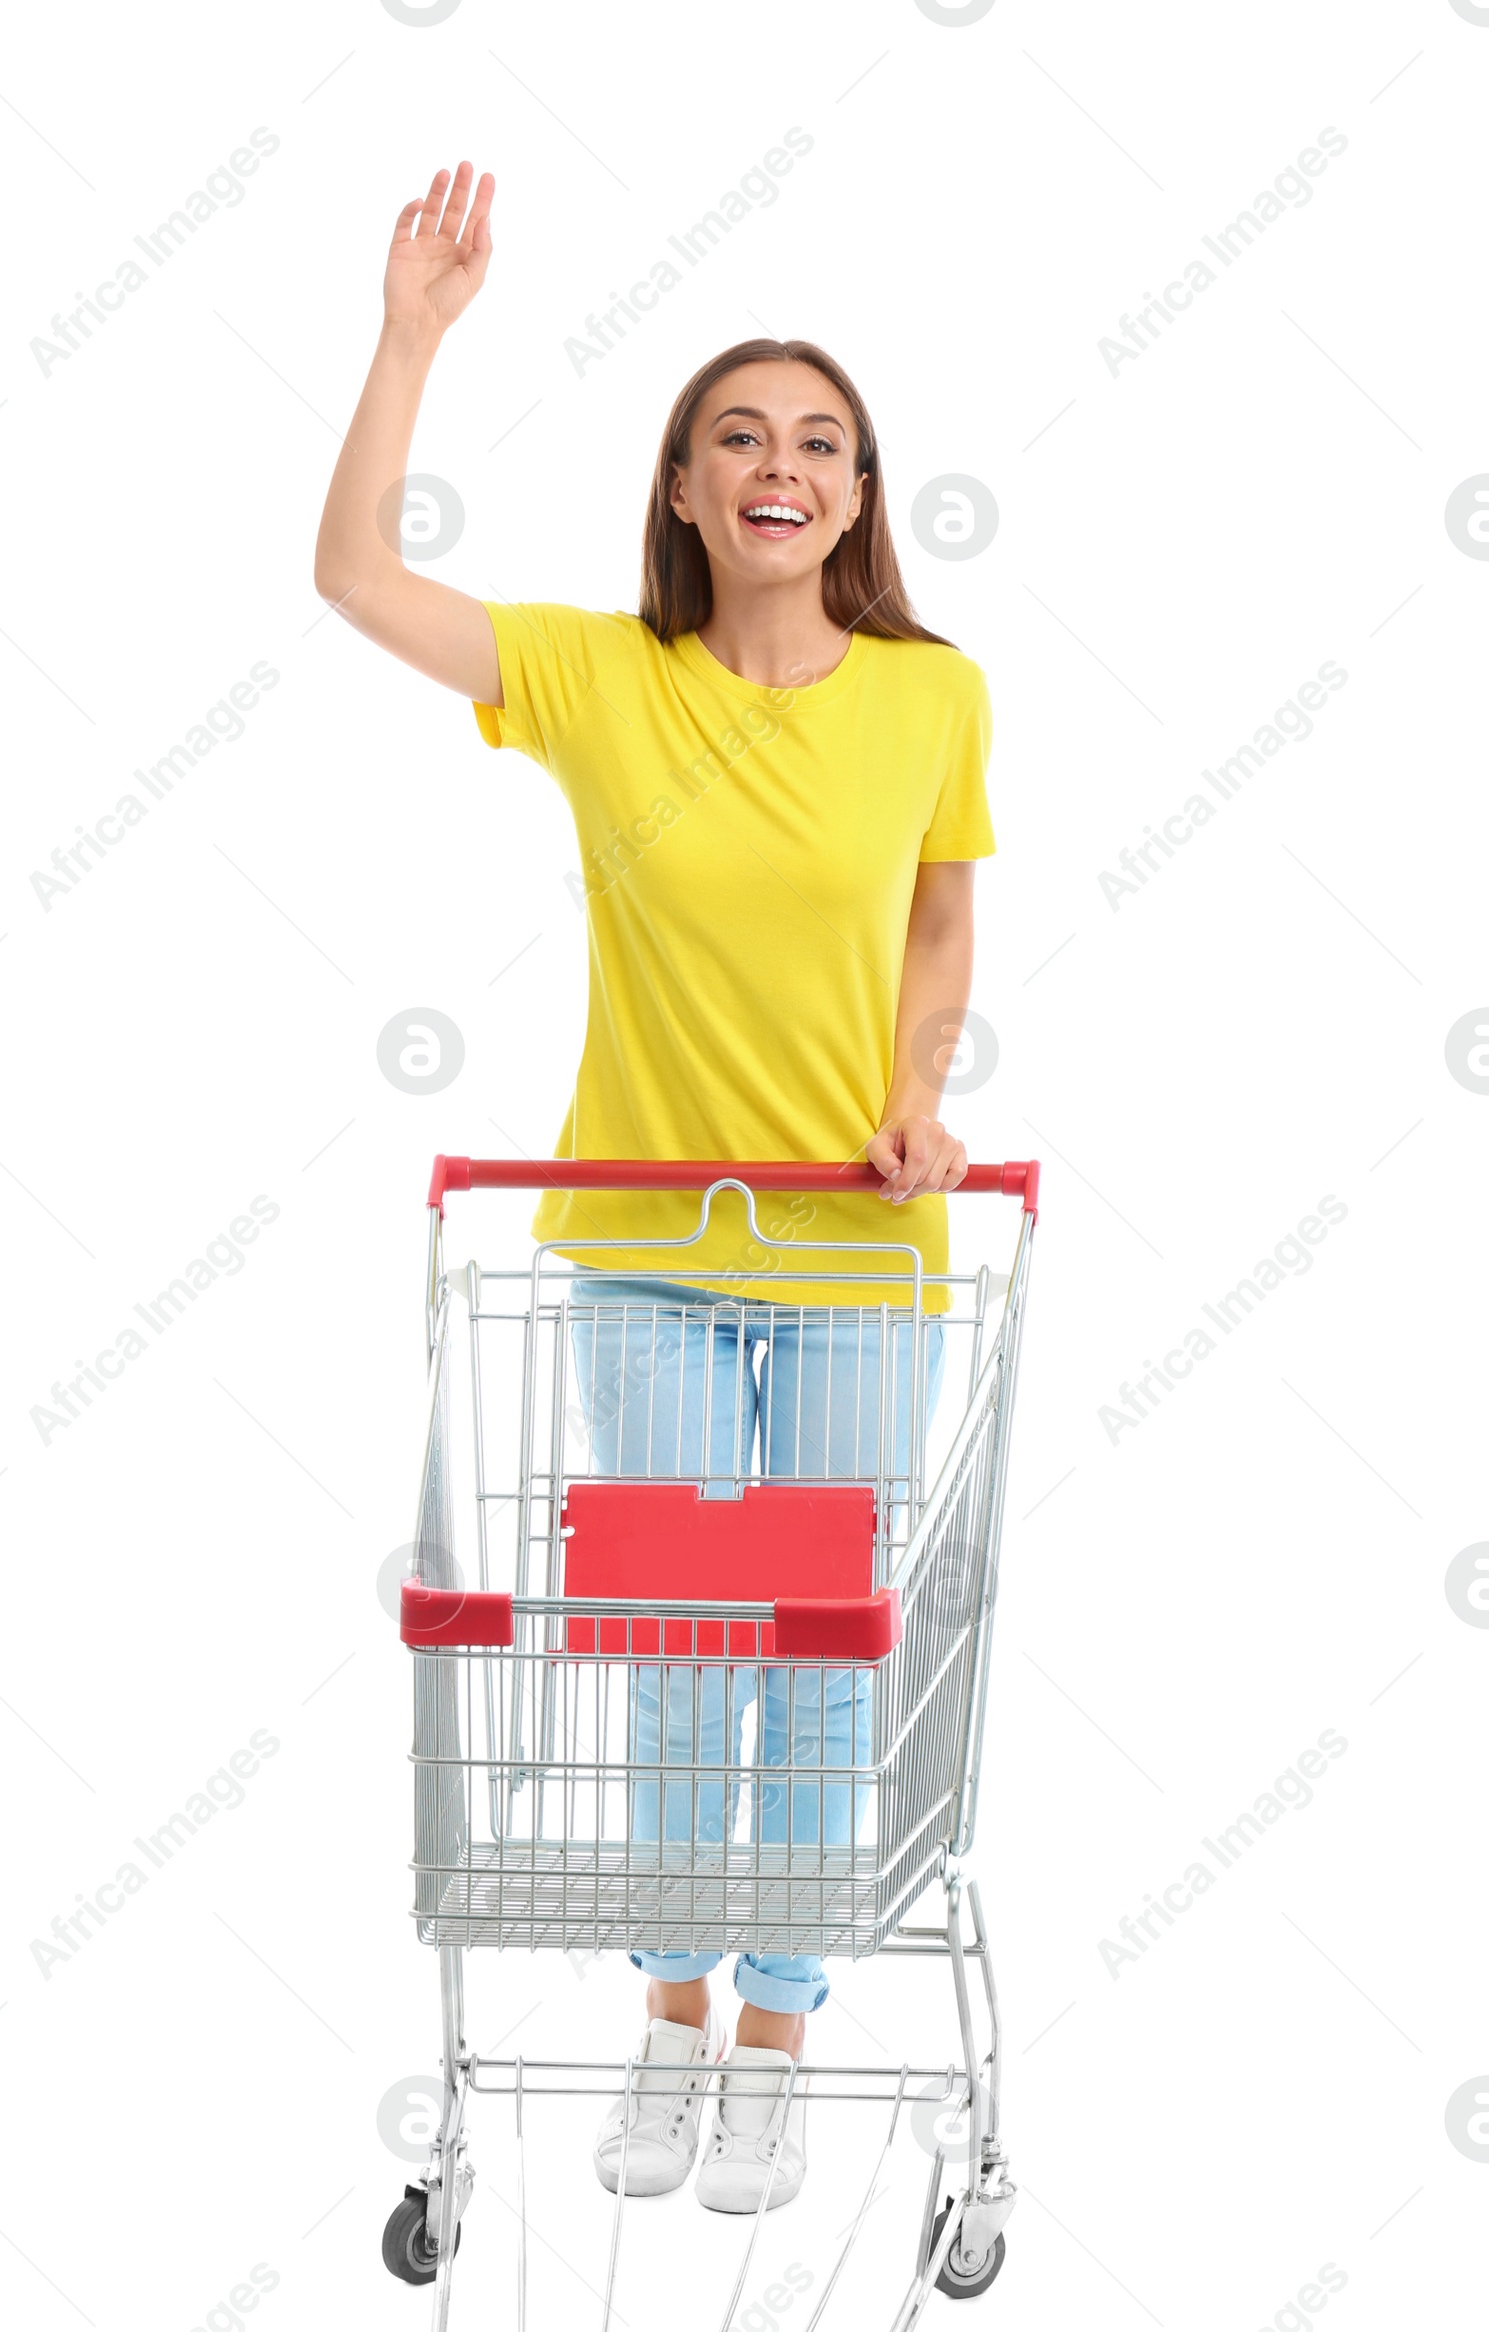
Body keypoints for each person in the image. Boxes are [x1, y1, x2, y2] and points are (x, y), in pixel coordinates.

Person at [315, 163, 996, 2215]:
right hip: (635, 1259)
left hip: (859, 1263)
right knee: (681, 1639)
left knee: (816, 1645)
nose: (778, 466)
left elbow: (937, 931)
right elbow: (352, 574)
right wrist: (413, 335)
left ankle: (777, 2035)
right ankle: (670, 2016)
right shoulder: (600, 677)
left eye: (819, 442)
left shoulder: (929, 693)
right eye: (738, 439)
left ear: (855, 495)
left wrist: (916, 1097)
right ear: (686, 491)